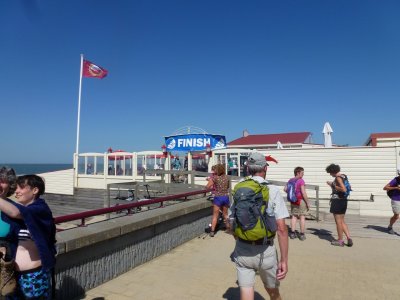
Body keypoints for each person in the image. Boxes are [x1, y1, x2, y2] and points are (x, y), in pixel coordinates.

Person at [231, 152, 289, 300]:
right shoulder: (273, 190)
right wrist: (284, 260)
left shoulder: (239, 188)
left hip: (242, 249)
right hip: (265, 250)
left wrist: (239, 239)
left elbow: (231, 221)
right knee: (273, 291)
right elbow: (282, 229)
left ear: (248, 168)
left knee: (246, 292)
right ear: (265, 168)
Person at [0, 174, 56, 299]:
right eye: (16, 188)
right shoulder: (22, 214)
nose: (16, 191)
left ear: (35, 190)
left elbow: (15, 212)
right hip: (13, 275)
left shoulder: (40, 209)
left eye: (21, 188)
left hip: (34, 275)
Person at [326, 163, 353, 247]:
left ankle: (340, 241)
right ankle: (349, 238)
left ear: (333, 171)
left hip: (337, 201)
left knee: (338, 222)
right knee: (342, 221)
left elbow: (343, 189)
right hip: (344, 200)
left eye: (330, 173)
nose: (330, 175)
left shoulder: (338, 178)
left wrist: (332, 185)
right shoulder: (344, 176)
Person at [285, 167, 310, 241]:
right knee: (302, 217)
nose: (303, 174)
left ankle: (292, 233)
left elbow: (285, 189)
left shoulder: (290, 180)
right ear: (297, 173)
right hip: (300, 200)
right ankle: (302, 234)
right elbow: (303, 192)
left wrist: (292, 194)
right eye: (302, 173)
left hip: (293, 200)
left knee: (294, 216)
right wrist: (307, 202)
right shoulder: (301, 181)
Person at [206, 164, 230, 237]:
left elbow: (207, 187)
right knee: (225, 214)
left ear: (218, 170)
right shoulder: (227, 177)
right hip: (225, 197)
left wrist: (209, 180)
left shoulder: (215, 178)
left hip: (218, 197)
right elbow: (228, 187)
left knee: (215, 216)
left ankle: (212, 231)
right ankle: (229, 228)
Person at [383, 168, 400, 234]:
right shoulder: (395, 180)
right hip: (396, 200)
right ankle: (390, 226)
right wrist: (396, 187)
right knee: (396, 216)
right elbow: (385, 188)